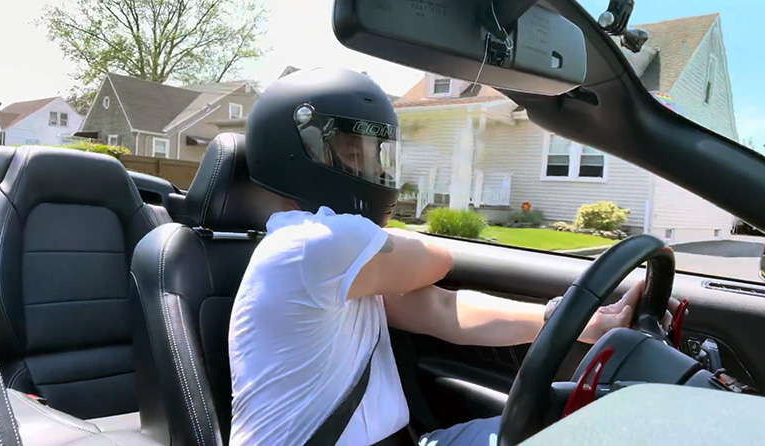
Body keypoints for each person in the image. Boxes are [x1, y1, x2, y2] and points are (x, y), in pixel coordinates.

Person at [228, 68, 674, 446]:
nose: (379, 173)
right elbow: (436, 258)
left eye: (379, 155)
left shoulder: (340, 263)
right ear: (301, 156)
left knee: (582, 423)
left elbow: (443, 309)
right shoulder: (311, 245)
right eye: (354, 155)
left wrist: (589, 322)